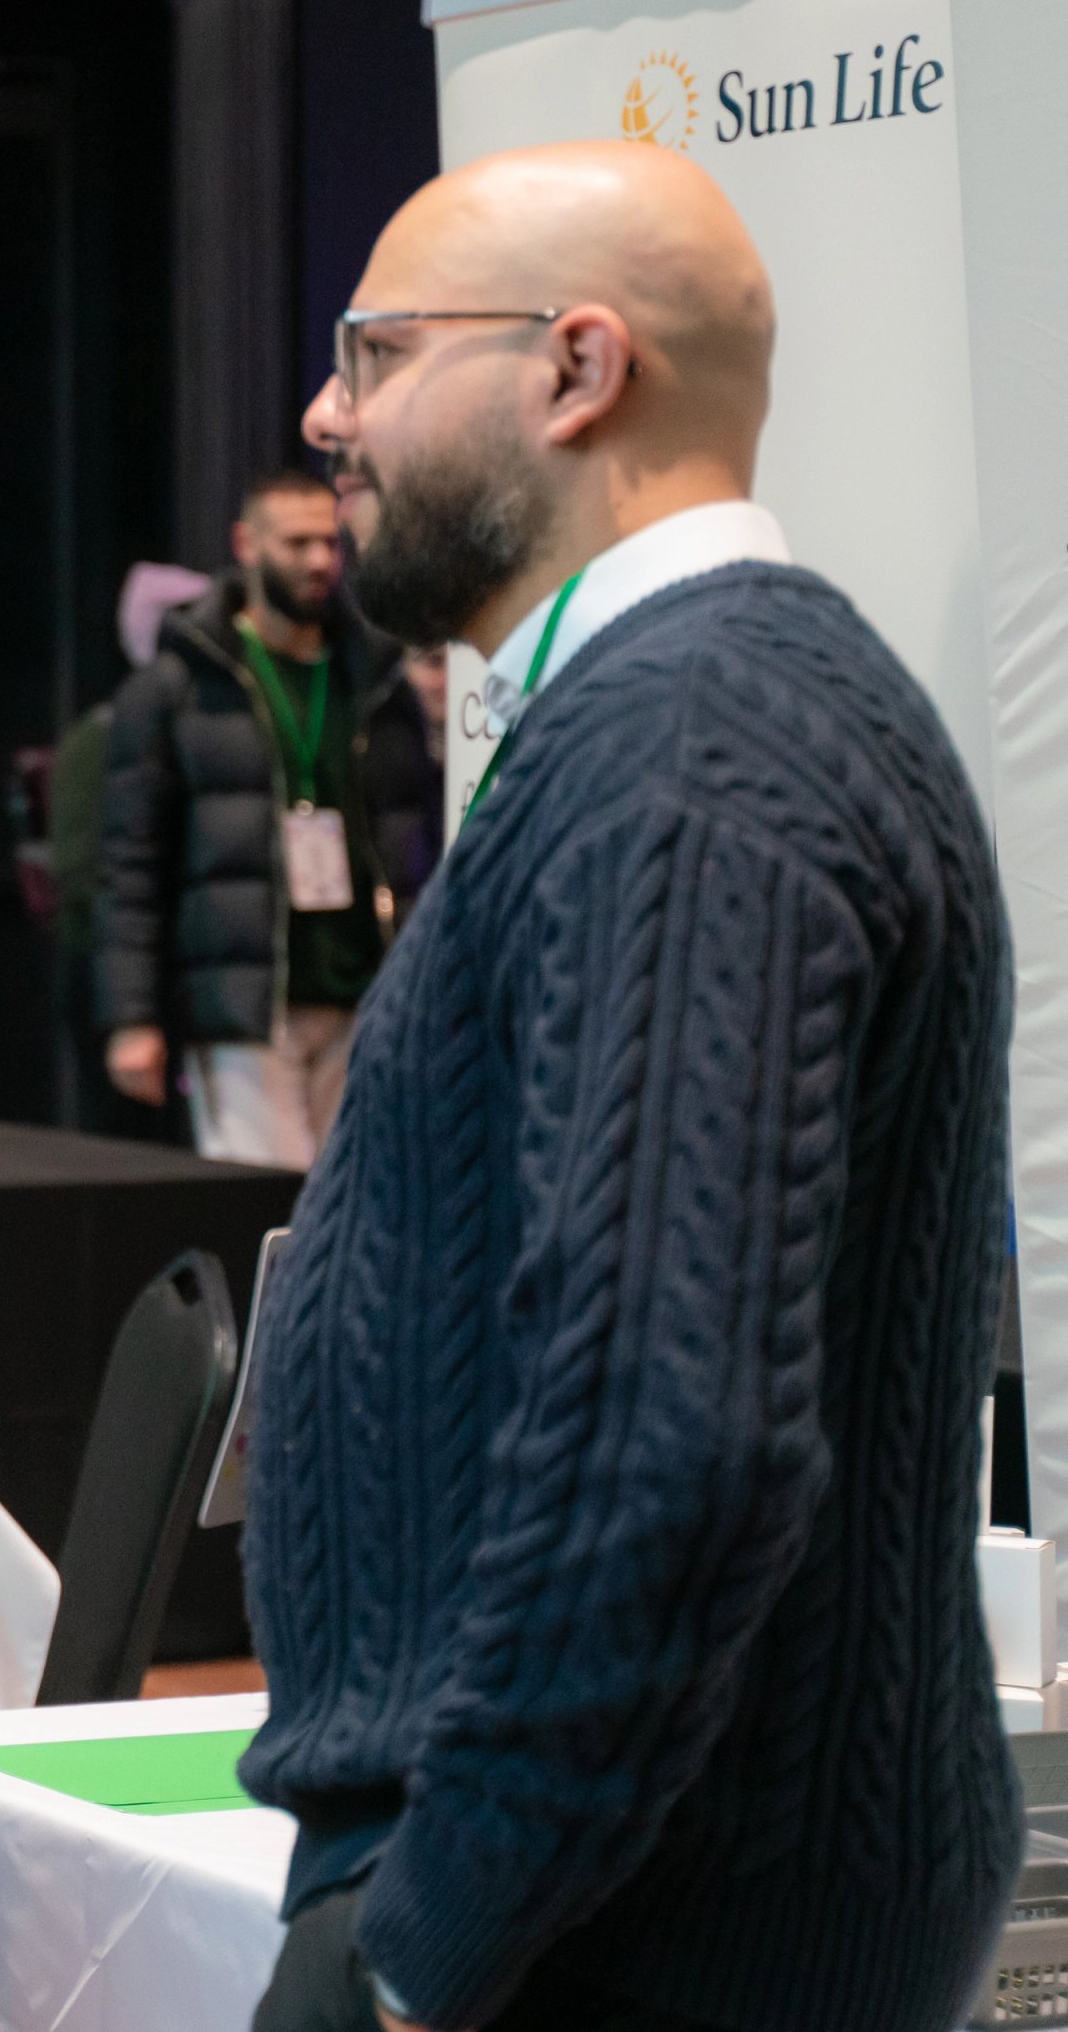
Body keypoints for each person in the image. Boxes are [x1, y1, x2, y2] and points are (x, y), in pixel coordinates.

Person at [240, 145, 1017, 2032]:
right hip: (640, 1892)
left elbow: (673, 1429)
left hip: (620, 1927)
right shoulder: (691, 719)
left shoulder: (691, 745)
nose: (329, 412)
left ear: (578, 370)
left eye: (380, 347)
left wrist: (440, 1927)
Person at [98, 469, 440, 1169]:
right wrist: (132, 1018)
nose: (320, 560)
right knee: (269, 1208)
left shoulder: (372, 674)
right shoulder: (178, 685)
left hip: (367, 994)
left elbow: (413, 833)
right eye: (297, 543)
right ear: (246, 544)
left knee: (361, 1202)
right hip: (247, 1006)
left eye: (329, 542)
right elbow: (130, 860)